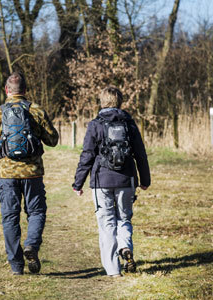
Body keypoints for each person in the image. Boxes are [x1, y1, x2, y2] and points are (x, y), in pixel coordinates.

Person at [0, 72, 59, 275]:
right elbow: (53, 140)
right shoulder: (36, 110)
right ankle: (31, 245)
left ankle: (16, 266)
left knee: (10, 218)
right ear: (25, 90)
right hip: (32, 173)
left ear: (7, 90)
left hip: (8, 175)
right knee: (37, 212)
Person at [72, 86, 150, 277]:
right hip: (127, 179)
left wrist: (78, 183)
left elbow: (87, 155)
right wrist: (145, 180)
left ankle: (114, 270)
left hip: (102, 181)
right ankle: (125, 247)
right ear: (120, 101)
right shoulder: (129, 124)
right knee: (124, 218)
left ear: (102, 101)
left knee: (107, 223)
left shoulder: (95, 124)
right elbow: (140, 153)